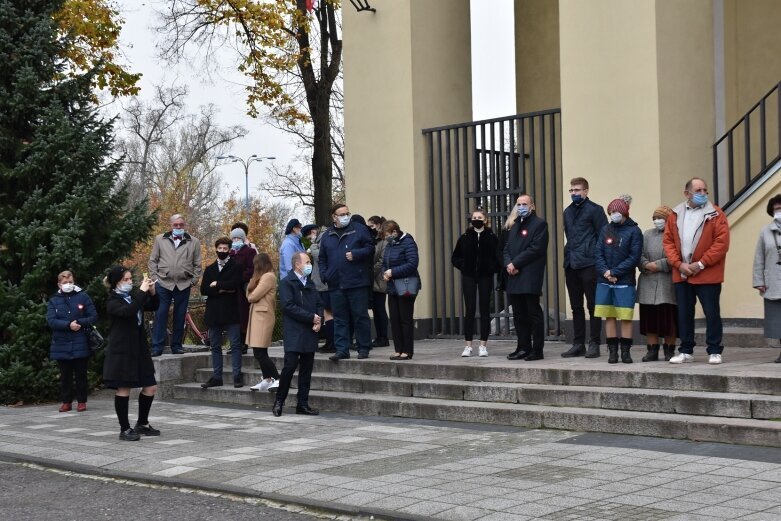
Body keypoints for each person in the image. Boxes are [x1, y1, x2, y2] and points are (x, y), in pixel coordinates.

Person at [663, 177, 730, 365]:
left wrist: (700, 264)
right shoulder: (675, 214)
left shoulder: (716, 214)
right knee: (684, 313)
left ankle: (715, 350)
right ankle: (686, 350)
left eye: (705, 191)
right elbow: (668, 242)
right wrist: (678, 264)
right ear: (687, 194)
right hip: (682, 272)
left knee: (711, 312)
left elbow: (721, 244)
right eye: (698, 191)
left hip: (707, 273)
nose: (703, 194)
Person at [103, 266, 161, 441]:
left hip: (139, 347)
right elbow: (128, 312)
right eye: (125, 280)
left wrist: (152, 292)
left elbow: (153, 305)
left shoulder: (131, 298)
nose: (130, 283)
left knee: (150, 386)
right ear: (115, 283)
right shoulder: (113, 301)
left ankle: (142, 423)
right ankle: (125, 428)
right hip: (122, 350)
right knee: (124, 388)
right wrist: (141, 293)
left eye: (130, 279)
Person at [319, 204, 375, 360]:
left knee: (360, 316)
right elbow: (322, 258)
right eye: (342, 214)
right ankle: (342, 349)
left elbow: (370, 248)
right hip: (336, 284)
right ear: (334, 217)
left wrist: (356, 254)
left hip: (357, 281)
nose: (345, 216)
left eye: (347, 213)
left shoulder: (358, 229)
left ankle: (363, 348)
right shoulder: (328, 235)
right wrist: (325, 275)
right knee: (340, 318)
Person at [273, 252, 323, 416]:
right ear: (297, 264)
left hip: (309, 332)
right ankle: (279, 401)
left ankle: (302, 404)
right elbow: (288, 306)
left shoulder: (310, 283)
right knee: (289, 367)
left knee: (306, 370)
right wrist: (311, 318)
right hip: (294, 331)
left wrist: (318, 320)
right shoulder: (287, 282)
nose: (309, 265)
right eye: (307, 262)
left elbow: (318, 303)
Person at [594, 196, 643, 364]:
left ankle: (626, 352)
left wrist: (615, 271)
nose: (612, 214)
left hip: (625, 280)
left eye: (615, 211)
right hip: (605, 280)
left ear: (623, 212)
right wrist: (606, 272)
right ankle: (612, 352)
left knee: (625, 316)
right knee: (609, 315)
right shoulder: (605, 229)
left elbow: (634, 257)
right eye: (610, 212)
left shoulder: (634, 231)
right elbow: (598, 252)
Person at [562, 177, 607, 358]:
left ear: (586, 191)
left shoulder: (596, 210)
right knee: (576, 307)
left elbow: (603, 237)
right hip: (571, 264)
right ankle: (578, 343)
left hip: (589, 264)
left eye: (577, 190)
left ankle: (594, 343)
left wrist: (597, 260)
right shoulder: (567, 212)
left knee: (593, 306)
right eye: (571, 190)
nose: (574, 193)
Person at [503, 195, 549, 361]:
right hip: (513, 275)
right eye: (519, 204)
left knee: (533, 314)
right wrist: (509, 264)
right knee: (518, 314)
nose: (521, 207)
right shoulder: (515, 225)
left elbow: (536, 248)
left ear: (532, 206)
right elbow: (506, 248)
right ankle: (522, 347)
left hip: (529, 274)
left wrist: (515, 263)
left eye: (525, 204)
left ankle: (537, 350)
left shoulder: (540, 224)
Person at [148, 214, 202, 356]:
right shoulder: (160, 239)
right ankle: (157, 346)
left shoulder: (194, 241)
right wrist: (155, 278)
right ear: (171, 225)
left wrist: (193, 280)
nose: (178, 227)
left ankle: (177, 346)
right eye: (175, 225)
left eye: (181, 225)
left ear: (185, 225)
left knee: (180, 315)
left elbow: (198, 264)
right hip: (163, 283)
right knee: (160, 314)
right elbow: (153, 260)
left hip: (184, 284)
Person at [46, 270, 98, 412]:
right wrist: (68, 325)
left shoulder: (83, 296)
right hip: (61, 343)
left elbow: (93, 316)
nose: (68, 285)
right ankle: (66, 402)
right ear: (59, 284)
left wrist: (80, 322)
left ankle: (82, 401)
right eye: (65, 283)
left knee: (81, 374)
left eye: (70, 282)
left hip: (80, 341)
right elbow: (51, 320)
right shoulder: (54, 300)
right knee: (65, 376)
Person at [452, 208, 501, 357]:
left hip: (485, 276)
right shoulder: (465, 237)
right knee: (470, 310)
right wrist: (464, 265)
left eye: (479, 217)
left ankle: (483, 346)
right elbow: (455, 257)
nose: (476, 219)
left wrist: (491, 267)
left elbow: (498, 257)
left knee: (485, 309)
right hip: (469, 276)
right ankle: (468, 346)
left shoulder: (492, 237)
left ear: (485, 220)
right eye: (474, 217)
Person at [200, 237, 245, 388]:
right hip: (214, 312)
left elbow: (235, 284)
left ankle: (237, 376)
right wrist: (224, 290)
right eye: (220, 249)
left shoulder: (236, 266)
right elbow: (204, 289)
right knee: (215, 345)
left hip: (231, 311)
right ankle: (216, 376)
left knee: (235, 345)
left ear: (230, 250)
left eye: (225, 249)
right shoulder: (210, 268)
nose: (222, 252)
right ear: (216, 249)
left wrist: (218, 284)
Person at [637, 206, 678, 361]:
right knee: (650, 319)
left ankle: (669, 350)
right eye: (654, 218)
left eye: (660, 218)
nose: (657, 221)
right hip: (648, 280)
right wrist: (646, 265)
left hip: (667, 283)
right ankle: (652, 350)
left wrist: (658, 265)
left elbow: (676, 256)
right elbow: (638, 254)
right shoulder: (647, 234)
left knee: (669, 319)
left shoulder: (675, 235)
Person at [382, 220, 420, 361]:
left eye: (387, 234)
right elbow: (384, 262)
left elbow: (412, 264)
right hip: (392, 286)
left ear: (395, 232)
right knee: (395, 319)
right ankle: (398, 350)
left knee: (405, 318)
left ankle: (407, 351)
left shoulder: (408, 242)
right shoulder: (390, 244)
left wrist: (393, 272)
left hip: (406, 285)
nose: (386, 238)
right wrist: (385, 273)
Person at [752, 194, 781, 363]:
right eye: (777, 209)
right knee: (777, 319)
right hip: (773, 281)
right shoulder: (765, 231)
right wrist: (758, 281)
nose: (780, 211)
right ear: (772, 212)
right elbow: (759, 258)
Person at [247, 253, 281, 391]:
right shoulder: (263, 277)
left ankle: (277, 379)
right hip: (259, 316)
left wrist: (250, 289)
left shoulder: (268, 277)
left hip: (263, 316)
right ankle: (267, 379)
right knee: (260, 351)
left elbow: (252, 296)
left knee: (259, 352)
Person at [229, 226, 256, 354]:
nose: (235, 240)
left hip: (243, 288)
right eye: (233, 238)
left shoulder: (250, 252)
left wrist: (239, 277)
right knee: (232, 318)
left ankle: (243, 344)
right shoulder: (230, 253)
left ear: (243, 238)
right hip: (232, 290)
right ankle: (234, 343)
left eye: (238, 238)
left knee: (243, 317)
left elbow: (251, 269)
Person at [309, 225, 335, 353]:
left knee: (328, 313)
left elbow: (320, 258)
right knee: (328, 312)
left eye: (311, 235)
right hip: (324, 282)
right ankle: (331, 342)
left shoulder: (322, 240)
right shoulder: (326, 237)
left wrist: (313, 246)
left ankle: (331, 343)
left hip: (324, 284)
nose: (310, 237)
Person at [368, 215, 390, 348]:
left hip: (379, 279)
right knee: (376, 309)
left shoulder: (383, 241)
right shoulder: (373, 239)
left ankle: (383, 337)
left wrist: (370, 272)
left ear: (378, 225)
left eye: (371, 226)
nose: (369, 229)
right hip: (373, 280)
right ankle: (380, 336)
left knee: (380, 308)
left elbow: (382, 261)